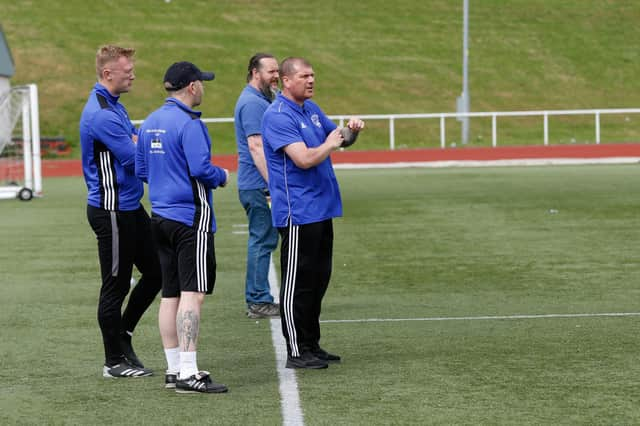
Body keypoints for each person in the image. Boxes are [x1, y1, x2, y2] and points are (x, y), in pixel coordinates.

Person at [261, 57, 365, 369]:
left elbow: (341, 140)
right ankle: (296, 350)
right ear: (286, 81)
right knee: (298, 282)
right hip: (298, 212)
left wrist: (350, 131)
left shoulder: (311, 109)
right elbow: (304, 159)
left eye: (313, 75)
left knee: (319, 279)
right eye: (305, 76)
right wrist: (332, 144)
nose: (311, 81)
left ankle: (311, 343)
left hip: (321, 208)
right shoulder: (277, 115)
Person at [136, 61, 229, 393]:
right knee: (193, 294)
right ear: (192, 87)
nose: (203, 87)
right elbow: (202, 168)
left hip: (158, 216)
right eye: (201, 83)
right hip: (191, 218)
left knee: (170, 295)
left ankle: (174, 369)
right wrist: (222, 176)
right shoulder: (189, 123)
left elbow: (142, 169)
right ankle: (190, 372)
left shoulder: (149, 122)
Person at [79, 45, 162, 378]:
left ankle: (123, 334)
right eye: (127, 70)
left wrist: (144, 140)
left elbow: (135, 139)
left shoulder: (114, 106)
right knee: (114, 286)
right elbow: (134, 157)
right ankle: (113, 361)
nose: (133, 74)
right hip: (110, 210)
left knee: (157, 272)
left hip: (129, 206)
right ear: (107, 74)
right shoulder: (101, 114)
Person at [233, 53, 281, 319]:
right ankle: (258, 300)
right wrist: (273, 184)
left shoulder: (260, 99)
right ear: (255, 72)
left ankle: (259, 299)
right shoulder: (253, 103)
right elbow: (256, 146)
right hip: (258, 184)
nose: (276, 76)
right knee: (262, 239)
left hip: (256, 183)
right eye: (271, 71)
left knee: (264, 238)